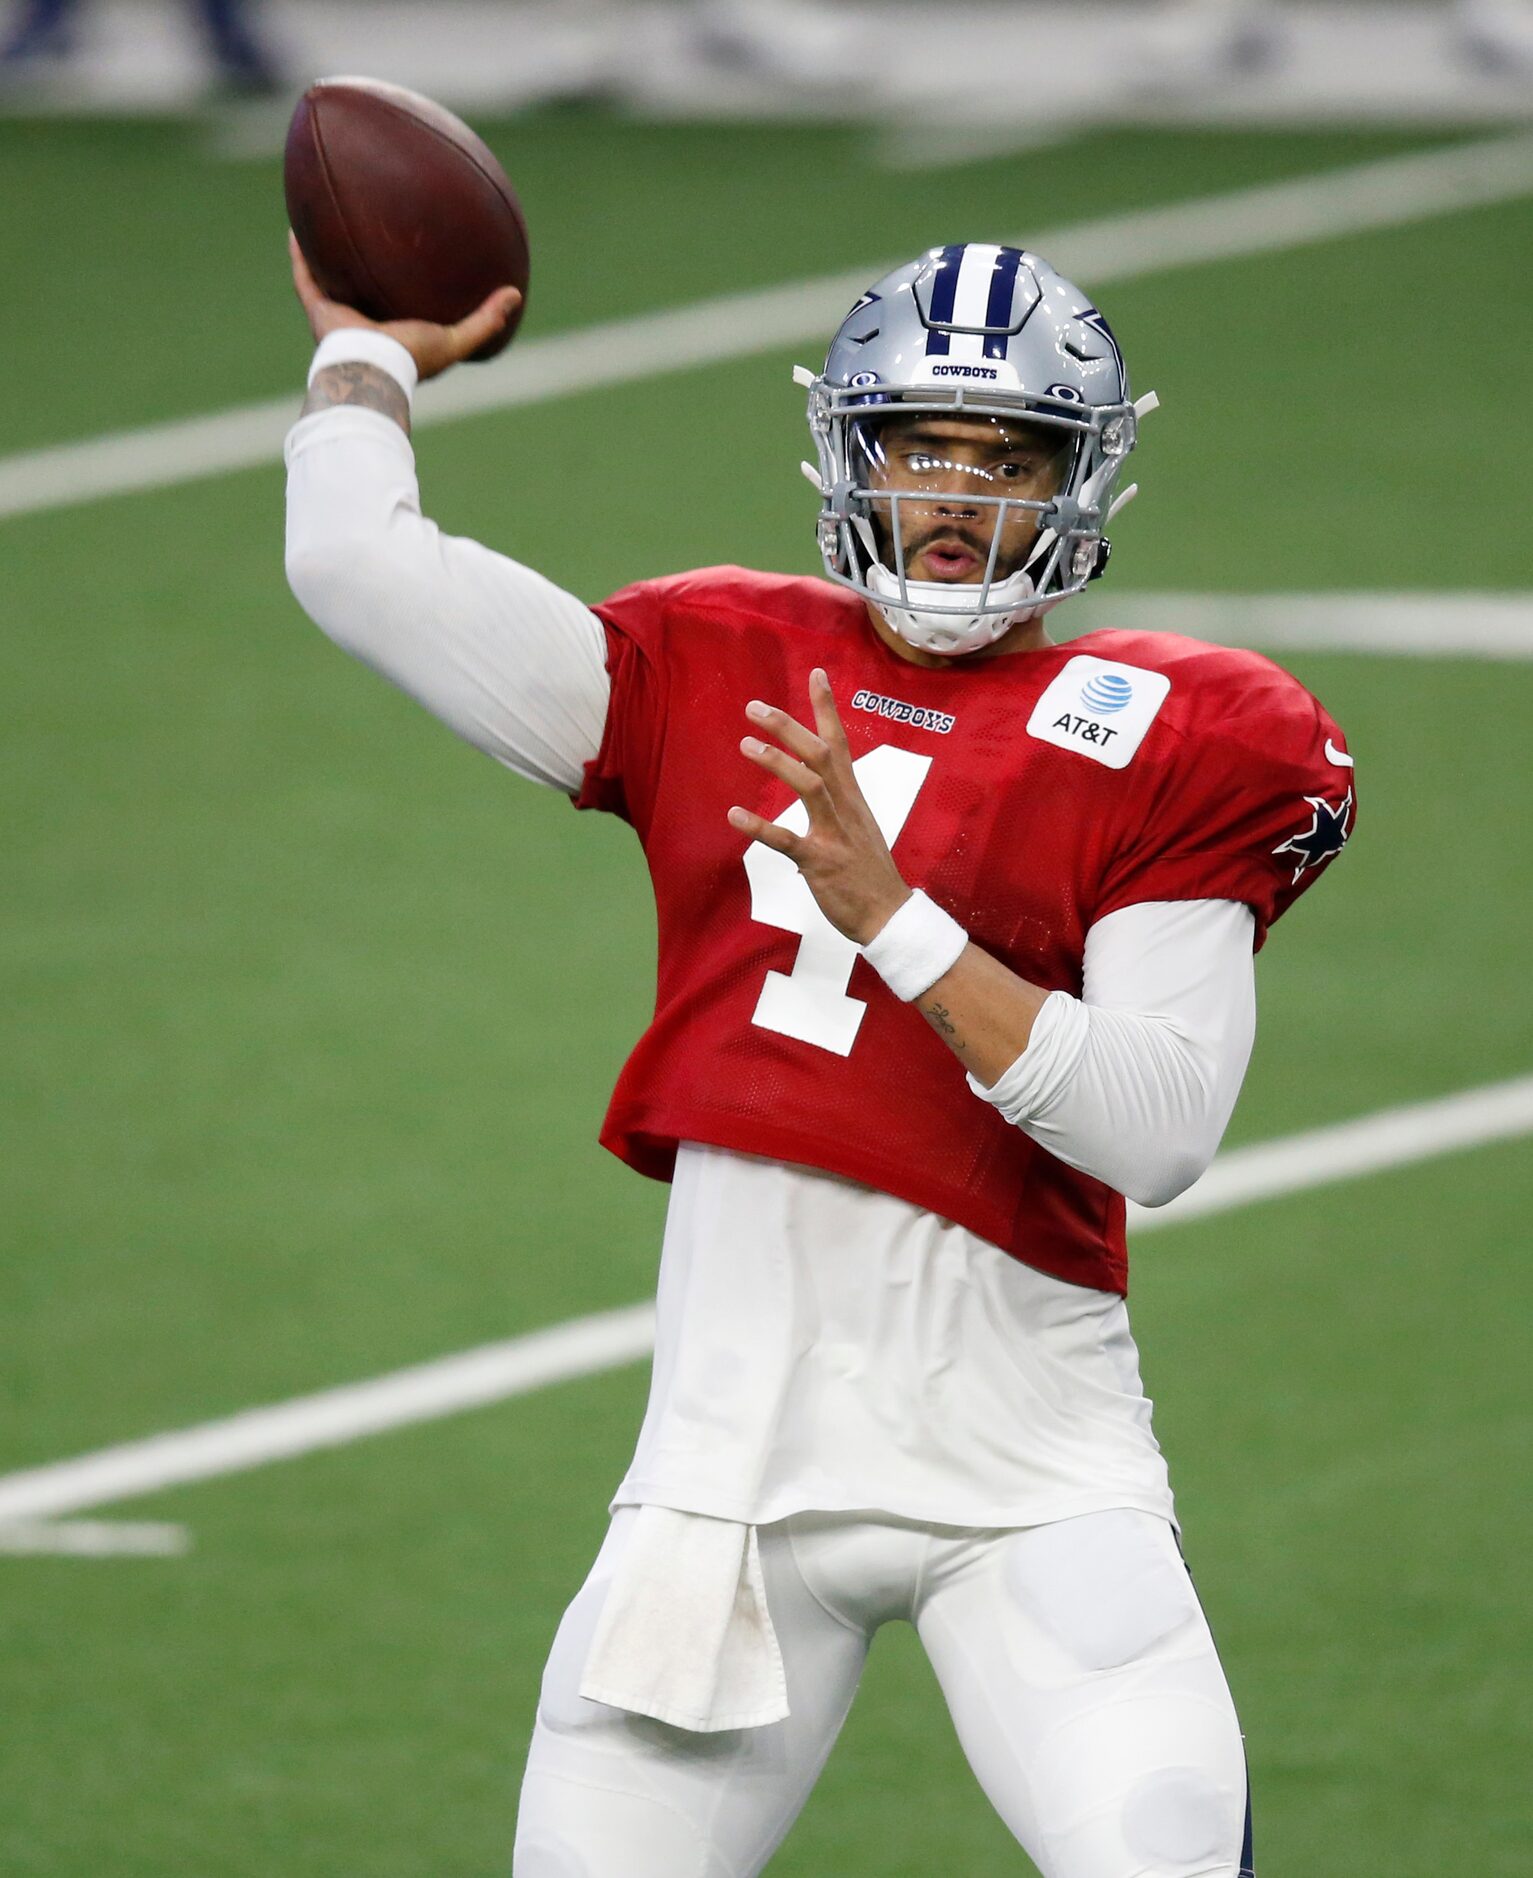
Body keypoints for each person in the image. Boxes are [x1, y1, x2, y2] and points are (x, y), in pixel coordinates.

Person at [284, 232, 1354, 1877]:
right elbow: (359, 565)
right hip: (721, 1495)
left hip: (1029, 1484)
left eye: (1007, 458)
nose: (957, 496)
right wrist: (367, 356)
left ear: (1082, 481)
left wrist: (897, 916)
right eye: (921, 446)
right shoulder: (715, 656)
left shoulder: (1175, 728)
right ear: (853, 455)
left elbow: (1160, 1125)